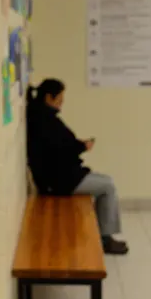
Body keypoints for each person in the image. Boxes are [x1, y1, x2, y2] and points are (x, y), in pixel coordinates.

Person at [26, 78, 128, 255]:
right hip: (58, 182)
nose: (62, 103)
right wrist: (81, 146)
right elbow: (60, 149)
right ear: (49, 97)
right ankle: (105, 238)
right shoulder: (45, 121)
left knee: (106, 182)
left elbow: (60, 145)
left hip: (59, 175)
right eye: (60, 99)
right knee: (108, 186)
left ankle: (103, 234)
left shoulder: (40, 116)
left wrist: (77, 145)